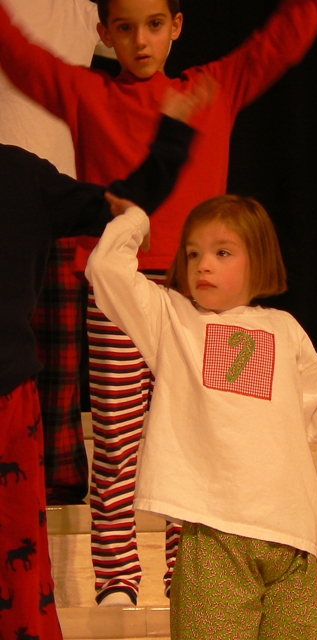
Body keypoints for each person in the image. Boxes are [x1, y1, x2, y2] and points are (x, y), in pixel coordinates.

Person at [0, 0, 317, 605]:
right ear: (104, 33)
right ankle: (117, 576)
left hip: (199, 300)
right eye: (125, 29)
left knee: (199, 436)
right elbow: (23, 58)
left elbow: (278, 42)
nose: (141, 41)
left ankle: (190, 572)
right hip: (120, 297)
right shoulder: (88, 93)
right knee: (118, 439)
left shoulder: (210, 88)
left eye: (154, 25)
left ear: (177, 25)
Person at [86, 193, 317, 639]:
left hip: (291, 542)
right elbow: (106, 270)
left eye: (222, 252)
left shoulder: (284, 329)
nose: (203, 266)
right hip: (217, 537)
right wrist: (135, 221)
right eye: (193, 253)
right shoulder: (173, 321)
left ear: (259, 260)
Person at [0, 89, 197, 640]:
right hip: (12, 393)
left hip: (9, 398)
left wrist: (171, 138)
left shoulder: (21, 176)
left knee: (18, 553)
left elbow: (121, 202)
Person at [0, 0, 101, 506]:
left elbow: (139, 35)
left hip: (58, 187)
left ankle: (59, 466)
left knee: (59, 345)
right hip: (5, 189)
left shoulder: (81, 10)